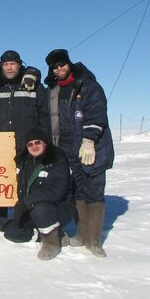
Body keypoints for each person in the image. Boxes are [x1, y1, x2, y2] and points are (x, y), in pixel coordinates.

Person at [45, 49, 114, 258]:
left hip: (91, 147)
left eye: (62, 64)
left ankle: (94, 240)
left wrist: (89, 140)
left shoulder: (88, 86)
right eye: (55, 66)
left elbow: (97, 113)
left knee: (94, 189)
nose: (59, 69)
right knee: (78, 190)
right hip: (66, 148)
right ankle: (82, 233)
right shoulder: (54, 90)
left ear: (69, 64)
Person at [3, 127, 72, 260]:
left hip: (57, 208)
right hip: (32, 207)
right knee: (13, 233)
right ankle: (50, 232)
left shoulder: (57, 160)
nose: (34, 146)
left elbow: (57, 192)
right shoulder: (25, 162)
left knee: (41, 208)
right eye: (30, 144)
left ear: (45, 143)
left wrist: (28, 201)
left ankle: (52, 242)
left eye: (37, 142)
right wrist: (21, 207)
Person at [0, 50, 50, 156]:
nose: (9, 68)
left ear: (19, 65)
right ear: (1, 66)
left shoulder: (34, 86)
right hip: (1, 149)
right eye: (5, 64)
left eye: (13, 64)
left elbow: (44, 116)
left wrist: (41, 141)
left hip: (29, 149)